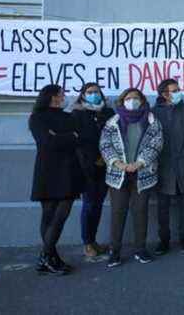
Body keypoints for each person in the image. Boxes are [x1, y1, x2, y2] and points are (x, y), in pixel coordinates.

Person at [100, 88, 164, 268]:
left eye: (136, 98)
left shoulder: (152, 121)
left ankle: (140, 249)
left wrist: (140, 163)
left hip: (142, 173)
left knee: (140, 211)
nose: (132, 100)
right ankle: (115, 251)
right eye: (128, 98)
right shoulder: (113, 122)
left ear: (142, 100)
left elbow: (156, 144)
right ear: (122, 101)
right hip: (118, 174)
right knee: (117, 212)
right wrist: (118, 163)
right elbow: (105, 145)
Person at [29, 85, 83, 275]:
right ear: (53, 97)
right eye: (62, 94)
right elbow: (46, 141)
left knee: (61, 215)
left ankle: (46, 256)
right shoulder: (37, 118)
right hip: (47, 171)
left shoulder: (69, 117)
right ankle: (50, 258)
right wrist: (69, 137)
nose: (65, 97)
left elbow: (79, 138)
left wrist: (62, 137)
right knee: (48, 214)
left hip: (68, 171)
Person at [152, 79, 184, 256]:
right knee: (162, 208)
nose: (179, 92)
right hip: (163, 168)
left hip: (183, 167)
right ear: (164, 94)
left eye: (179, 89)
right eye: (175, 90)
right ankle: (163, 241)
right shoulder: (154, 112)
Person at [71, 82, 115, 259]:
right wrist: (91, 161)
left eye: (96, 92)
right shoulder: (77, 115)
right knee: (88, 205)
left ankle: (94, 240)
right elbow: (77, 143)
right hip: (87, 169)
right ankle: (87, 242)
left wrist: (107, 158)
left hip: (107, 165)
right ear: (83, 95)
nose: (94, 94)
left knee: (98, 205)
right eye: (90, 92)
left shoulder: (108, 113)